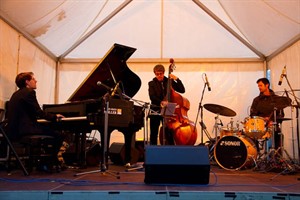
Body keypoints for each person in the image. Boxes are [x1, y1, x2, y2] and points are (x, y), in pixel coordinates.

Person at [6, 72, 66, 171]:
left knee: (49, 132)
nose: (36, 81)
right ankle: (48, 162)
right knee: (58, 136)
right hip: (25, 129)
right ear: (27, 82)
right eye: (33, 79)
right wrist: (54, 116)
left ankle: (44, 161)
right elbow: (38, 112)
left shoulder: (16, 94)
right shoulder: (29, 92)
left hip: (13, 130)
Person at [148, 64, 185, 145]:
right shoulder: (151, 83)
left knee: (169, 132)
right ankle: (153, 152)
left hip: (168, 110)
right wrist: (161, 102)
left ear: (164, 72)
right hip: (156, 109)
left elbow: (182, 90)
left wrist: (177, 79)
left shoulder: (169, 81)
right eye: (157, 74)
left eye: (160, 74)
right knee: (154, 132)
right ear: (155, 73)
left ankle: (170, 149)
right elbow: (152, 97)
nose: (159, 76)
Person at [250, 78, 287, 150]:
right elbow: (252, 114)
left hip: (273, 126)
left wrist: (272, 121)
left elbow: (281, 115)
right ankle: (255, 156)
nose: (259, 87)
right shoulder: (256, 100)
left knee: (279, 135)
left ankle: (277, 157)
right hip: (260, 126)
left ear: (267, 85)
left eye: (260, 85)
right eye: (258, 86)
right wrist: (263, 119)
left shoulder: (277, 99)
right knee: (251, 135)